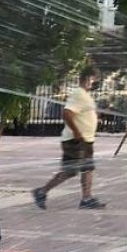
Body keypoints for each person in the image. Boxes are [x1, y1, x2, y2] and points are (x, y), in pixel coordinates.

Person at [33, 67, 104, 210]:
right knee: (70, 171)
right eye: (94, 79)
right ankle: (41, 192)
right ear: (87, 78)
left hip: (86, 140)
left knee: (87, 168)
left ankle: (86, 199)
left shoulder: (86, 95)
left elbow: (81, 113)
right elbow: (67, 113)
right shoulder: (78, 94)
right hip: (75, 141)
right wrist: (77, 131)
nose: (96, 82)